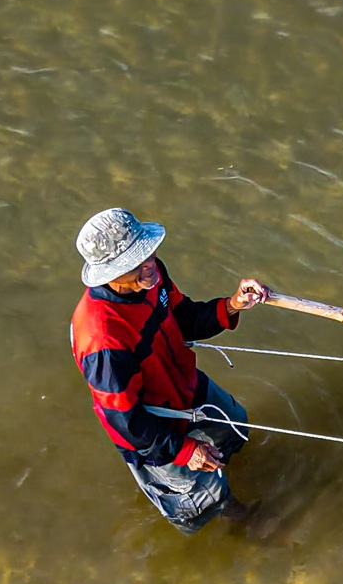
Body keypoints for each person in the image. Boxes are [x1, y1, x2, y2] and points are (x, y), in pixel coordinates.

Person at [68, 207, 270, 532]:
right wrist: (184, 450)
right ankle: (240, 521)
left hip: (185, 386)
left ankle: (227, 468)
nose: (149, 265)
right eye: (135, 262)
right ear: (108, 272)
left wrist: (232, 305)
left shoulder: (151, 276)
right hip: (151, 426)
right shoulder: (101, 337)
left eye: (148, 252)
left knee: (236, 426)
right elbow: (126, 420)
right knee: (204, 496)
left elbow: (184, 317)